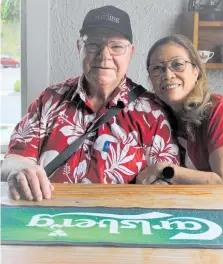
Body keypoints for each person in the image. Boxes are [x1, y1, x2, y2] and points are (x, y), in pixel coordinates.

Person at [1, 6, 180, 201]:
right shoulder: (50, 99)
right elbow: (14, 158)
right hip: (49, 221)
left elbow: (166, 183)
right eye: (93, 44)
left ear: (131, 52)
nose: (104, 55)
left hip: (117, 225)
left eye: (116, 47)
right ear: (79, 47)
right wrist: (19, 170)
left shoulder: (152, 114)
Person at [136, 34, 223, 185]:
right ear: (150, 79)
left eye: (177, 64)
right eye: (157, 68)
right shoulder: (162, 117)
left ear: (196, 71)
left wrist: (163, 170)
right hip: (205, 205)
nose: (168, 75)